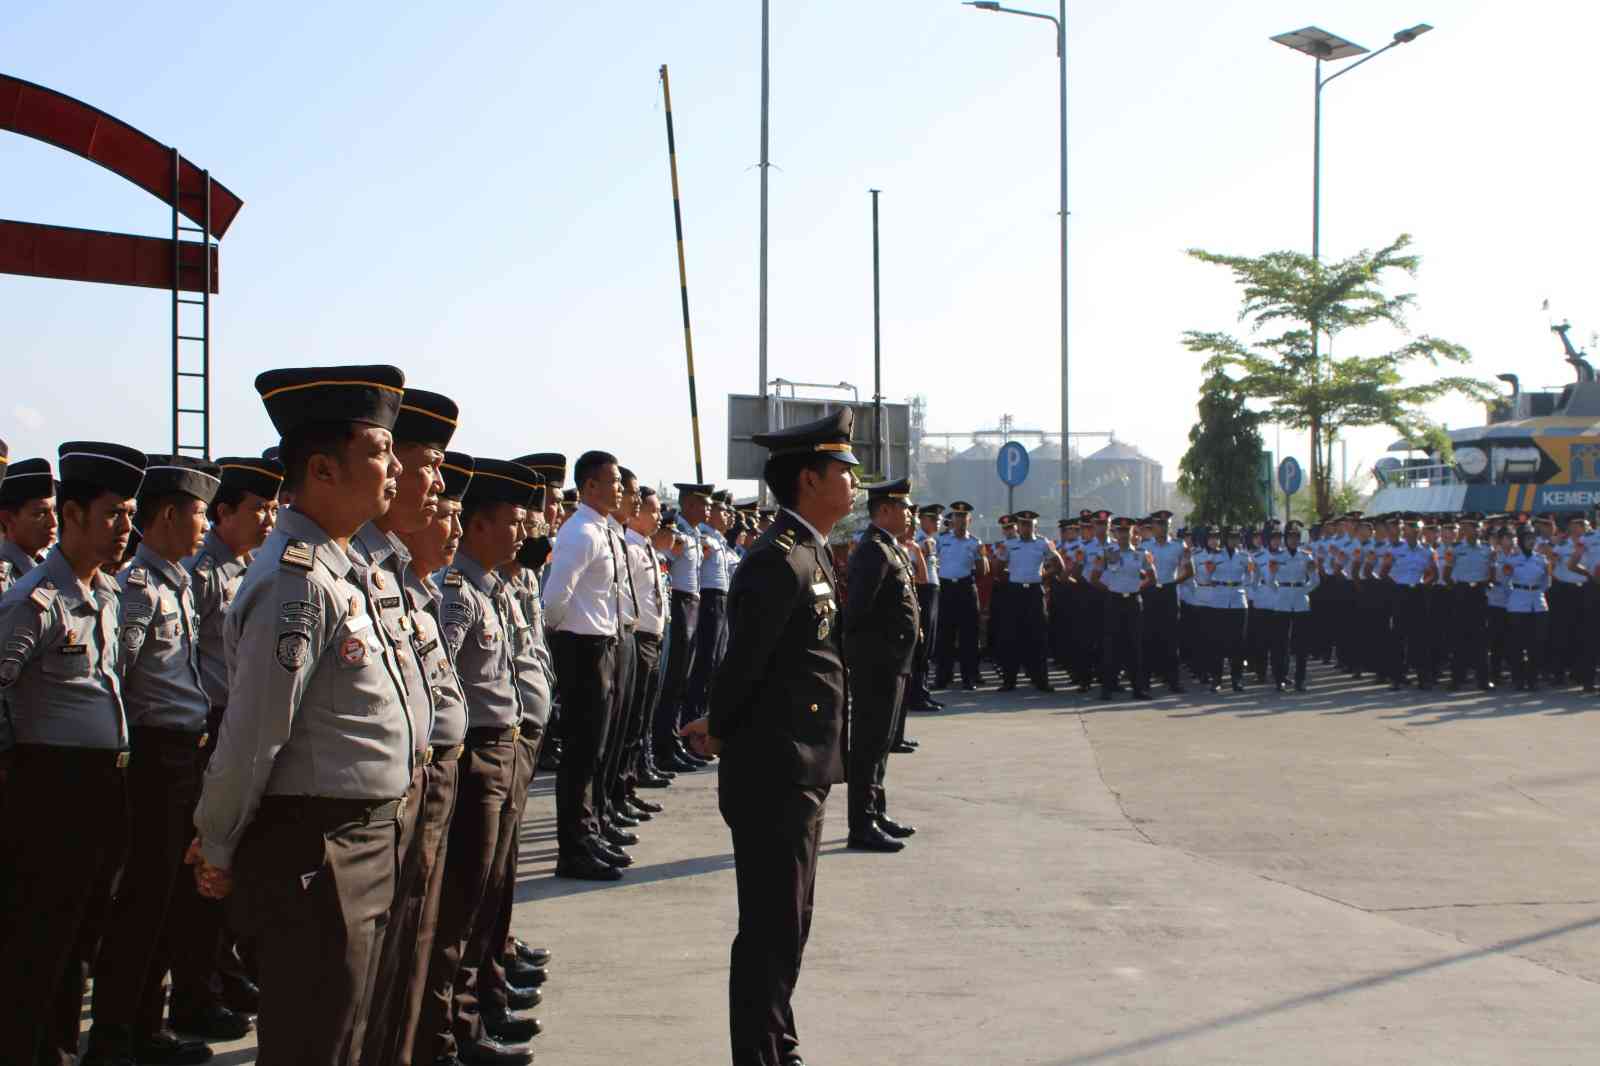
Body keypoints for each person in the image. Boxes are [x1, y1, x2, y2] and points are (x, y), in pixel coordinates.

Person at [190, 365, 414, 1066]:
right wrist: (217, 841)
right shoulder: (297, 578)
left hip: (364, 837)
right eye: (379, 451)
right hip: (319, 848)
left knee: (345, 1036)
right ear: (322, 467)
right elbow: (254, 732)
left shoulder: (342, 567)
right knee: (314, 1040)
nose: (395, 467)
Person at [679, 407, 858, 1066]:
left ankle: (778, 1043)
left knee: (792, 924)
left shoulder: (811, 548)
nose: (853, 480)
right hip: (773, 769)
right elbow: (743, 662)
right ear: (810, 478)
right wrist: (721, 728)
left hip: (803, 764)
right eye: (843, 469)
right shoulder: (775, 559)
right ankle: (758, 1056)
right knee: (770, 928)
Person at [77, 456, 231, 1066]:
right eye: (197, 513)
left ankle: (149, 1025)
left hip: (184, 755)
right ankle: (117, 1036)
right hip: (153, 758)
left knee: (168, 901)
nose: (203, 525)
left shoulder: (174, 582)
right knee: (141, 904)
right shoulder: (139, 589)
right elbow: (119, 677)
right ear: (168, 515)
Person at [0, 441, 145, 1066]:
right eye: (114, 514)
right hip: (48, 789)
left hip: (101, 789)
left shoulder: (107, 595)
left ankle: (57, 1049)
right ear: (75, 514)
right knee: (38, 943)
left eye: (131, 515)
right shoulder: (32, 602)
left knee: (83, 937)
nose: (125, 529)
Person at [172, 455, 281, 1028]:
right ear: (222, 514)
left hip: (235, 721)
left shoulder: (247, 568)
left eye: (271, 507)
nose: (268, 518)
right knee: (202, 871)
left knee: (234, 870)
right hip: (210, 726)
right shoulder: (198, 572)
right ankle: (196, 990)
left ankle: (225, 976)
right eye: (257, 508)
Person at [543, 450, 630, 880]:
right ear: (590, 486)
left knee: (596, 750)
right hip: (582, 647)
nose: (619, 488)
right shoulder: (579, 532)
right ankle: (572, 848)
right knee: (580, 753)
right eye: (612, 481)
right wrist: (565, 642)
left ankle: (589, 831)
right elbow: (555, 598)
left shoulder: (602, 529)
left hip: (602, 644)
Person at [843, 477, 920, 853]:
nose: (909, 514)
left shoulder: (891, 548)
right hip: (877, 664)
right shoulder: (873, 550)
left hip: (894, 663)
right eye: (903, 507)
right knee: (869, 744)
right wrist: (866, 656)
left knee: (883, 741)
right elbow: (857, 611)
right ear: (885, 510)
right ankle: (862, 822)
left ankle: (876, 811)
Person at [654, 482, 709, 771]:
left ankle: (673, 740)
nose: (708, 509)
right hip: (678, 602)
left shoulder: (695, 534)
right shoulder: (678, 533)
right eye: (703, 503)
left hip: (693, 603)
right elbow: (663, 560)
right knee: (672, 679)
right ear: (688, 504)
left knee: (682, 681)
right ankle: (663, 744)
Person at [994, 510, 1059, 692]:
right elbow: (997, 568)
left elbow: (1058, 564)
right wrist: (1011, 578)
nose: (1026, 527)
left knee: (1037, 638)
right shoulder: (1009, 544)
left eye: (1029, 524)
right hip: (1015, 592)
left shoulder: (1043, 543)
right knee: (1011, 637)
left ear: (1035, 526)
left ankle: (1041, 680)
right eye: (1023, 524)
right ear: (1019, 526)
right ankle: (1009, 681)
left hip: (1034, 592)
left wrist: (1042, 577)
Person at [1092, 517, 1154, 700]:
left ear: (1132, 532)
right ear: (1115, 533)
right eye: (1120, 531)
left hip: (1133, 602)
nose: (1124, 535)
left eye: (1127, 531)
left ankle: (1138, 689)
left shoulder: (1141, 554)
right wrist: (1111, 590)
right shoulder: (1107, 553)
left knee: (1135, 646)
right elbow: (1094, 578)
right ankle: (1107, 688)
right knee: (1111, 646)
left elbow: (1152, 577)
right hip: (1114, 602)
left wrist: (1136, 589)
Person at [933, 501, 987, 690]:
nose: (960, 520)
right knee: (944, 635)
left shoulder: (975, 542)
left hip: (965, 587)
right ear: (952, 519)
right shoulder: (941, 540)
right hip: (946, 588)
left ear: (969, 520)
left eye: (964, 517)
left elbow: (982, 570)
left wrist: (982, 557)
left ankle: (969, 677)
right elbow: (933, 561)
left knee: (969, 636)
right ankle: (942, 677)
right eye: (957, 516)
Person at [904, 503, 943, 711]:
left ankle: (923, 691)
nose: (937, 522)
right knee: (922, 645)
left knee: (929, 646)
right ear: (923, 520)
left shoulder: (930, 540)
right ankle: (916, 694)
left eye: (938, 519)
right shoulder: (916, 540)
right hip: (923, 590)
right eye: (933, 519)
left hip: (933, 591)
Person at [1503, 525, 1552, 690]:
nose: (1531, 542)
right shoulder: (1512, 560)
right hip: (1518, 603)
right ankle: (1518, 678)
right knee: (1517, 644)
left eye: (1533, 538)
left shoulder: (1541, 559)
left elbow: (1547, 582)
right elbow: (1505, 582)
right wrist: (1515, 595)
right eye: (1527, 539)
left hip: (1538, 604)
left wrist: (1537, 593)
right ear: (1521, 541)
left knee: (1536, 644)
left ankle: (1532, 679)